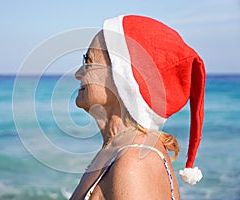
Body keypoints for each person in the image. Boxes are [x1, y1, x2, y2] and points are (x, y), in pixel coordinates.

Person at [70, 15, 205, 200]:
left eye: (88, 61)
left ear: (122, 78)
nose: (78, 73)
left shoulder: (134, 163)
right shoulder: (121, 150)